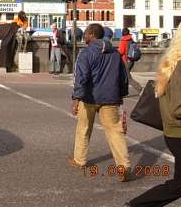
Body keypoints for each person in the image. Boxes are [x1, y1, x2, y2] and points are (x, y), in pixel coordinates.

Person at [126, 25, 181, 206]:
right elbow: (178, 108)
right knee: (178, 186)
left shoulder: (171, 62)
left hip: (173, 133)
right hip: (178, 133)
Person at [69, 23, 131, 181]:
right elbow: (123, 78)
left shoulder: (86, 53)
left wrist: (76, 98)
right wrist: (121, 95)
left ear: (92, 35)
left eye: (86, 33)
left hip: (89, 97)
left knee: (83, 128)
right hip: (111, 97)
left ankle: (79, 160)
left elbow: (80, 78)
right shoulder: (115, 53)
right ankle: (123, 165)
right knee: (115, 131)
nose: (84, 36)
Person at [118, 28, 142, 92]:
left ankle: (139, 88)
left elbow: (120, 52)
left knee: (128, 77)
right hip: (131, 60)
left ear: (122, 33)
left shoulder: (123, 40)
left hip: (125, 61)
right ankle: (123, 91)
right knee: (124, 76)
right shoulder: (131, 39)